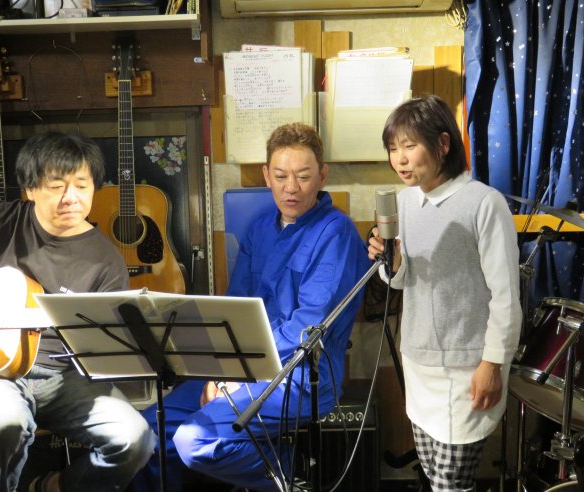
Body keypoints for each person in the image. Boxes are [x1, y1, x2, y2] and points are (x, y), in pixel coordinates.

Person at [130, 122, 369, 491]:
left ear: (322, 176)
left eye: (304, 176)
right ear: (266, 176)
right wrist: (219, 372)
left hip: (300, 378)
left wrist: (240, 376)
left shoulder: (336, 233)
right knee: (148, 432)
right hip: (239, 370)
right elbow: (235, 309)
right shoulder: (259, 228)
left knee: (196, 440)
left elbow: (307, 329)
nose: (292, 187)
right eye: (281, 176)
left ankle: (289, 473)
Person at [0, 131, 155, 492]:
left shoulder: (106, 262)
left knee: (134, 439)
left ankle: (55, 486)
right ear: (30, 189)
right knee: (3, 422)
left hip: (63, 377)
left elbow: (104, 350)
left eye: (82, 186)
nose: (71, 198)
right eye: (56, 186)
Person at [367, 95, 522, 491]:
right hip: (418, 364)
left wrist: (493, 364)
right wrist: (391, 261)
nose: (400, 159)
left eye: (409, 146)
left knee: (451, 482)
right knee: (434, 476)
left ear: (442, 144)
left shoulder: (483, 203)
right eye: (393, 149)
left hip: (468, 367)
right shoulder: (404, 203)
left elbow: (506, 295)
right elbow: (401, 281)